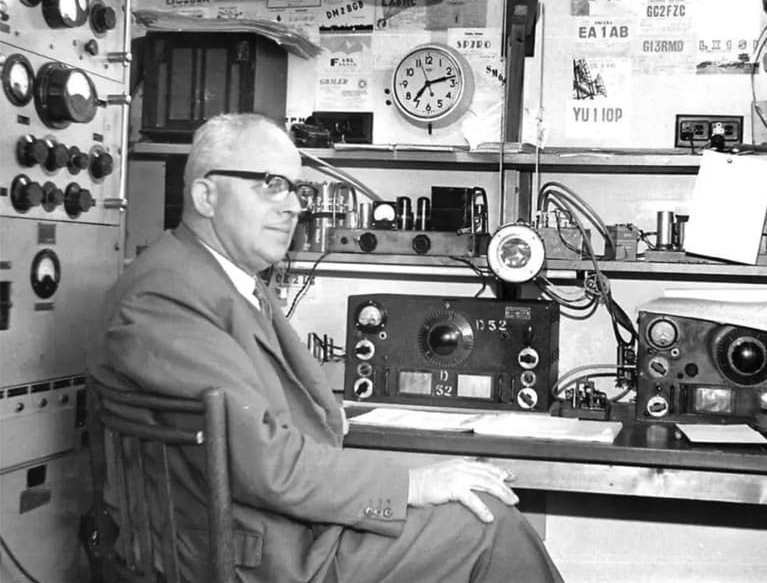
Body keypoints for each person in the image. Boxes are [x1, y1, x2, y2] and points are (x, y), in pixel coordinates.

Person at [89, 113, 564, 583]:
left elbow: (293, 425)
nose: (293, 206)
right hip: (248, 555)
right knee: (487, 526)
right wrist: (412, 483)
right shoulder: (166, 295)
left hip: (273, 529)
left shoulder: (220, 280)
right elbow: (263, 464)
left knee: (472, 507)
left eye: (297, 189)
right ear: (206, 195)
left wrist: (403, 477)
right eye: (271, 184)